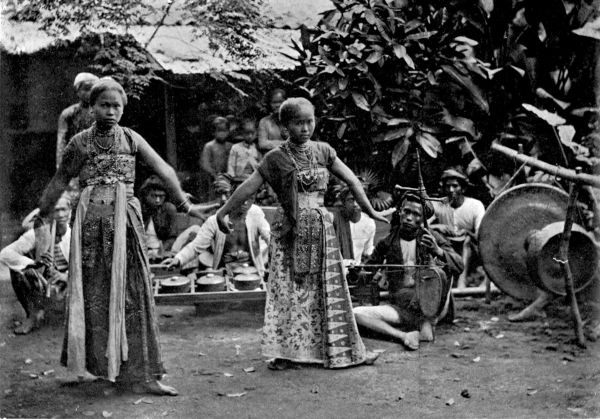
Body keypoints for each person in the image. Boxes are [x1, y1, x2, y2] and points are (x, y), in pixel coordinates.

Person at [37, 78, 217, 396]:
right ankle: (103, 368)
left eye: (116, 106)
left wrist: (186, 205)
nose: (110, 111)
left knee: (135, 294)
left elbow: (163, 169)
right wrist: (44, 212)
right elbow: (60, 179)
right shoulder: (79, 143)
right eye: (104, 105)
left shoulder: (131, 139)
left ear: (124, 108)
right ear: (91, 108)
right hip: (91, 226)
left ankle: (145, 374)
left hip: (126, 225)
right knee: (95, 294)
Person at [215, 97, 388, 370]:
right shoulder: (274, 158)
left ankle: (342, 351)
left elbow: (352, 179)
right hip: (289, 230)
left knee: (329, 290)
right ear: (285, 126)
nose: (306, 128)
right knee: (289, 291)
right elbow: (248, 187)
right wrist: (222, 212)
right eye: (298, 123)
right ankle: (286, 353)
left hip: (320, 229)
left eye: (310, 121)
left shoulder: (324, 151)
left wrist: (372, 211)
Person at [353, 193, 463, 350]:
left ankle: (422, 325)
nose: (409, 218)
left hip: (428, 308)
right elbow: (368, 270)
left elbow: (459, 264)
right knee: (356, 314)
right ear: (400, 213)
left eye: (416, 214)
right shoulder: (387, 242)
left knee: (440, 275)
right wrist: (360, 274)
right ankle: (404, 335)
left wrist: (437, 250)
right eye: (406, 212)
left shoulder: (432, 237)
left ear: (423, 218)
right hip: (400, 307)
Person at [162, 178, 270, 280]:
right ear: (232, 196)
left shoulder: (256, 213)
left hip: (253, 271)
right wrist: (178, 259)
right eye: (243, 198)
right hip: (226, 273)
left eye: (251, 198)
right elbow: (196, 245)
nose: (246, 203)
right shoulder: (214, 221)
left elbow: (269, 237)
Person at [0, 195, 72, 335]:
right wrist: (33, 263)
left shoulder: (76, 231)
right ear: (51, 213)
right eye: (56, 211)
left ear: (70, 210)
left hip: (74, 282)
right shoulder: (39, 233)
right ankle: (32, 315)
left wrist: (67, 276)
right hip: (49, 283)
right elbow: (5, 254)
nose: (60, 215)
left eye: (64, 210)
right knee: (18, 269)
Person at [431, 168, 485, 288]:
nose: (451, 190)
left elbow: (480, 236)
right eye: (447, 186)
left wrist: (466, 232)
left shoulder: (475, 205)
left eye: (455, 186)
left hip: (470, 251)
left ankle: (462, 282)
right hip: (447, 249)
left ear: (463, 188)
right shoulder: (439, 206)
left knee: (466, 241)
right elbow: (422, 226)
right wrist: (437, 226)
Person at [56, 72, 99, 168]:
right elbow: (62, 141)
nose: (90, 93)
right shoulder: (68, 113)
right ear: (77, 91)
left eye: (93, 89)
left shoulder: (101, 113)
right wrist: (60, 166)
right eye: (87, 89)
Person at [333, 187, 376, 266]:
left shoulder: (369, 223)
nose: (355, 204)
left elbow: (368, 250)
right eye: (351, 200)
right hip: (337, 269)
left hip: (356, 270)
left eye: (358, 200)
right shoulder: (335, 221)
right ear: (344, 202)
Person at [139, 175, 178, 259]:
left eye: (161, 196)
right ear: (146, 195)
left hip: (162, 252)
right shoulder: (139, 209)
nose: (157, 200)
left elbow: (172, 237)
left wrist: (160, 252)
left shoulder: (169, 209)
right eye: (154, 196)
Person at [200, 116, 233, 182]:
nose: (222, 134)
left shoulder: (231, 146)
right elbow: (205, 164)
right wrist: (214, 175)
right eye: (219, 131)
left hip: (229, 177)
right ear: (213, 132)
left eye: (224, 131)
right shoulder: (209, 146)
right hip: (213, 178)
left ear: (228, 131)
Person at [257, 88, 287, 154]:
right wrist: (287, 144)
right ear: (270, 104)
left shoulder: (293, 120)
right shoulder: (264, 122)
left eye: (280, 102)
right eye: (274, 102)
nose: (277, 105)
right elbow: (262, 144)